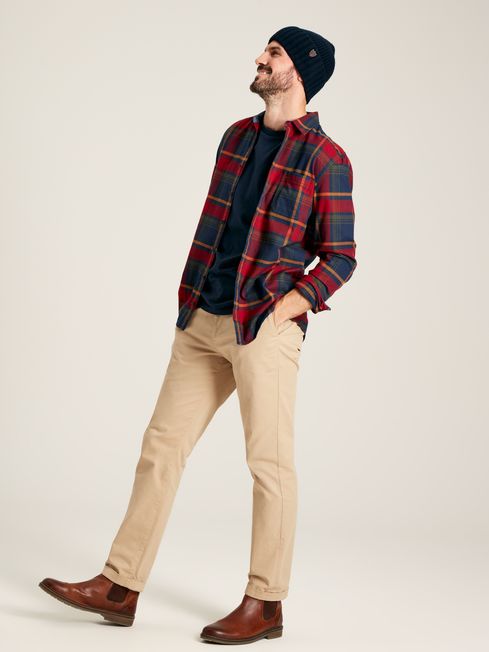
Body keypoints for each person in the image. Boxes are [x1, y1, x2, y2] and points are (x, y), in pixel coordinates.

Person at [39, 25, 357, 643]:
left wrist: (288, 308)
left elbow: (341, 257)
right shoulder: (236, 137)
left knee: (268, 465)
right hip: (205, 316)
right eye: (266, 50)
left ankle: (266, 603)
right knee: (162, 446)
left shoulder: (326, 158)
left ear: (300, 71)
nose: (260, 59)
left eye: (274, 53)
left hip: (263, 327)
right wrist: (193, 297)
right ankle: (120, 585)